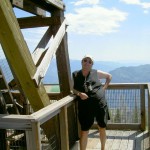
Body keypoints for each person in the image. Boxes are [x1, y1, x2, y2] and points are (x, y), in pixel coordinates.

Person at [72, 55, 112, 150]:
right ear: (81, 62)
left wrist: (104, 88)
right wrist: (79, 93)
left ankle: (103, 148)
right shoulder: (75, 74)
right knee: (84, 130)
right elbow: (72, 89)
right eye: (85, 60)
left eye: (90, 62)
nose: (87, 62)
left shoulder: (95, 72)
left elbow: (109, 76)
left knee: (102, 127)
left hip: (100, 104)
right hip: (85, 107)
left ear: (92, 64)